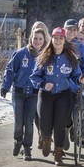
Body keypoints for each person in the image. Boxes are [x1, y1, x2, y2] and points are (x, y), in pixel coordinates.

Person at [30, 27, 84, 166]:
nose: (58, 40)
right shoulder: (44, 56)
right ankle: (47, 138)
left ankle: (58, 153)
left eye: (61, 38)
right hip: (46, 95)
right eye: (56, 38)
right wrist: (43, 84)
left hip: (63, 94)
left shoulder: (70, 57)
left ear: (64, 40)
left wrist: (81, 80)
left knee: (60, 124)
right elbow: (34, 76)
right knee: (45, 124)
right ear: (52, 39)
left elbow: (76, 75)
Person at [1, 28, 47, 160]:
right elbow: (10, 70)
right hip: (19, 93)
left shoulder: (45, 56)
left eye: (40, 39)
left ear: (43, 41)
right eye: (35, 38)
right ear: (30, 39)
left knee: (29, 121)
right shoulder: (21, 53)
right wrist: (5, 86)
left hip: (33, 94)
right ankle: (18, 141)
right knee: (18, 121)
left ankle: (27, 148)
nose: (37, 41)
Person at [63, 19, 84, 149]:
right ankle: (66, 128)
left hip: (74, 83)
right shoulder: (58, 42)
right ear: (64, 30)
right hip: (58, 82)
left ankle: (73, 127)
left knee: (75, 108)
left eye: (74, 29)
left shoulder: (80, 48)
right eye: (69, 29)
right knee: (63, 112)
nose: (71, 32)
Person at [30, 21, 51, 150]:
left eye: (40, 29)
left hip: (44, 87)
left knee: (42, 115)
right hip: (31, 87)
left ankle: (45, 135)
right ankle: (41, 135)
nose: (38, 30)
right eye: (35, 29)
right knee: (35, 117)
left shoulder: (49, 48)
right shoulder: (30, 48)